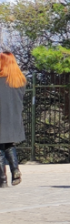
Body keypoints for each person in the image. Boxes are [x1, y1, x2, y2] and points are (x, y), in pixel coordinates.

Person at [0, 52, 27, 188]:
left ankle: (2, 179)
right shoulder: (20, 81)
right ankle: (15, 169)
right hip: (13, 117)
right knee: (9, 144)